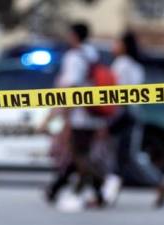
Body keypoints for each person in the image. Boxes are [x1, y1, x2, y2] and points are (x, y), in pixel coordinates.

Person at [41, 22, 108, 208]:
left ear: (74, 35)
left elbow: (72, 88)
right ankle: (56, 188)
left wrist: (65, 117)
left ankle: (99, 182)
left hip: (80, 115)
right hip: (94, 112)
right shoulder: (92, 54)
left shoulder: (74, 57)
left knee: (78, 154)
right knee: (77, 154)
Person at [107, 31, 164, 208]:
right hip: (132, 115)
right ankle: (107, 195)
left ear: (124, 45)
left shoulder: (121, 65)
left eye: (116, 43)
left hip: (123, 116)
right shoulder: (136, 66)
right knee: (121, 158)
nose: (114, 47)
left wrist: (110, 116)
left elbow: (116, 94)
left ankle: (158, 184)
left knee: (126, 158)